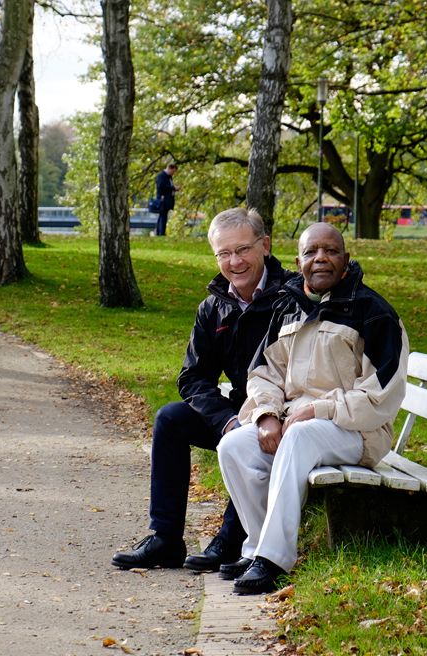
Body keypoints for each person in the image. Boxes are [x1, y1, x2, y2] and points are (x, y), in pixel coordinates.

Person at [217, 222, 409, 595]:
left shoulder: (373, 313)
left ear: (346, 260)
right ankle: (257, 546)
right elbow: (262, 373)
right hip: (294, 424)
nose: (320, 258)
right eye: (311, 252)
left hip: (358, 431)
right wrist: (267, 415)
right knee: (234, 446)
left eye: (330, 251)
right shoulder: (289, 307)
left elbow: (379, 397)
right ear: (298, 261)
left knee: (301, 437)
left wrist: (316, 411)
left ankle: (274, 560)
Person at [112, 207, 294, 574]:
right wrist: (226, 421)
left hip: (285, 417)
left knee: (249, 443)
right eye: (224, 253)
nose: (234, 261)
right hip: (239, 414)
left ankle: (228, 543)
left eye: (243, 250)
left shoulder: (291, 298)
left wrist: (263, 416)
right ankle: (165, 538)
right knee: (170, 419)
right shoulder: (214, 306)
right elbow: (193, 377)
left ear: (266, 246)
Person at [154, 164, 180, 236]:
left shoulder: (169, 177)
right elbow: (161, 186)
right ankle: (161, 233)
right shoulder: (162, 176)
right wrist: (173, 188)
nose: (173, 173)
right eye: (173, 171)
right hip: (163, 199)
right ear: (169, 168)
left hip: (167, 199)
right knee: (162, 217)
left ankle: (160, 232)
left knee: (163, 216)